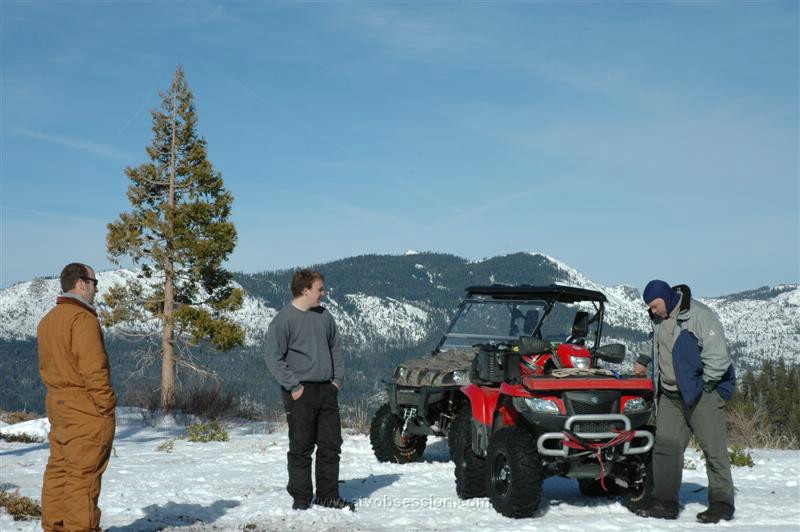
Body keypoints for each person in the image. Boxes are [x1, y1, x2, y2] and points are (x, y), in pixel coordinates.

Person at [632, 280, 736, 523]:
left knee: (714, 449)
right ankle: (664, 503)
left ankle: (722, 504)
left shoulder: (699, 316)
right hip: (671, 395)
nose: (653, 310)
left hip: (702, 394)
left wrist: (706, 386)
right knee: (665, 449)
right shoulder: (657, 318)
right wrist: (643, 360)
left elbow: (718, 357)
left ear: (667, 298)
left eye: (655, 305)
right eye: (650, 306)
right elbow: (654, 341)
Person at [37, 263, 116, 531]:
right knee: (83, 478)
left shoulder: (48, 320)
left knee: (59, 471)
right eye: (95, 283)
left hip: (58, 406)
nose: (96, 289)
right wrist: (106, 407)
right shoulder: (82, 320)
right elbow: (94, 370)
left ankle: (55, 527)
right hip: (85, 409)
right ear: (81, 284)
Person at [265, 269, 352, 511]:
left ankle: (328, 496)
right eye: (319, 289)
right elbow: (273, 358)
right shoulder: (283, 320)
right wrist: (294, 386)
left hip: (327, 390)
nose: (323, 293)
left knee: (330, 446)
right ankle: (301, 498)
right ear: (305, 290)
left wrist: (337, 381)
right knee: (301, 446)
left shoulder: (324, 316)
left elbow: (336, 348)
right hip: (300, 392)